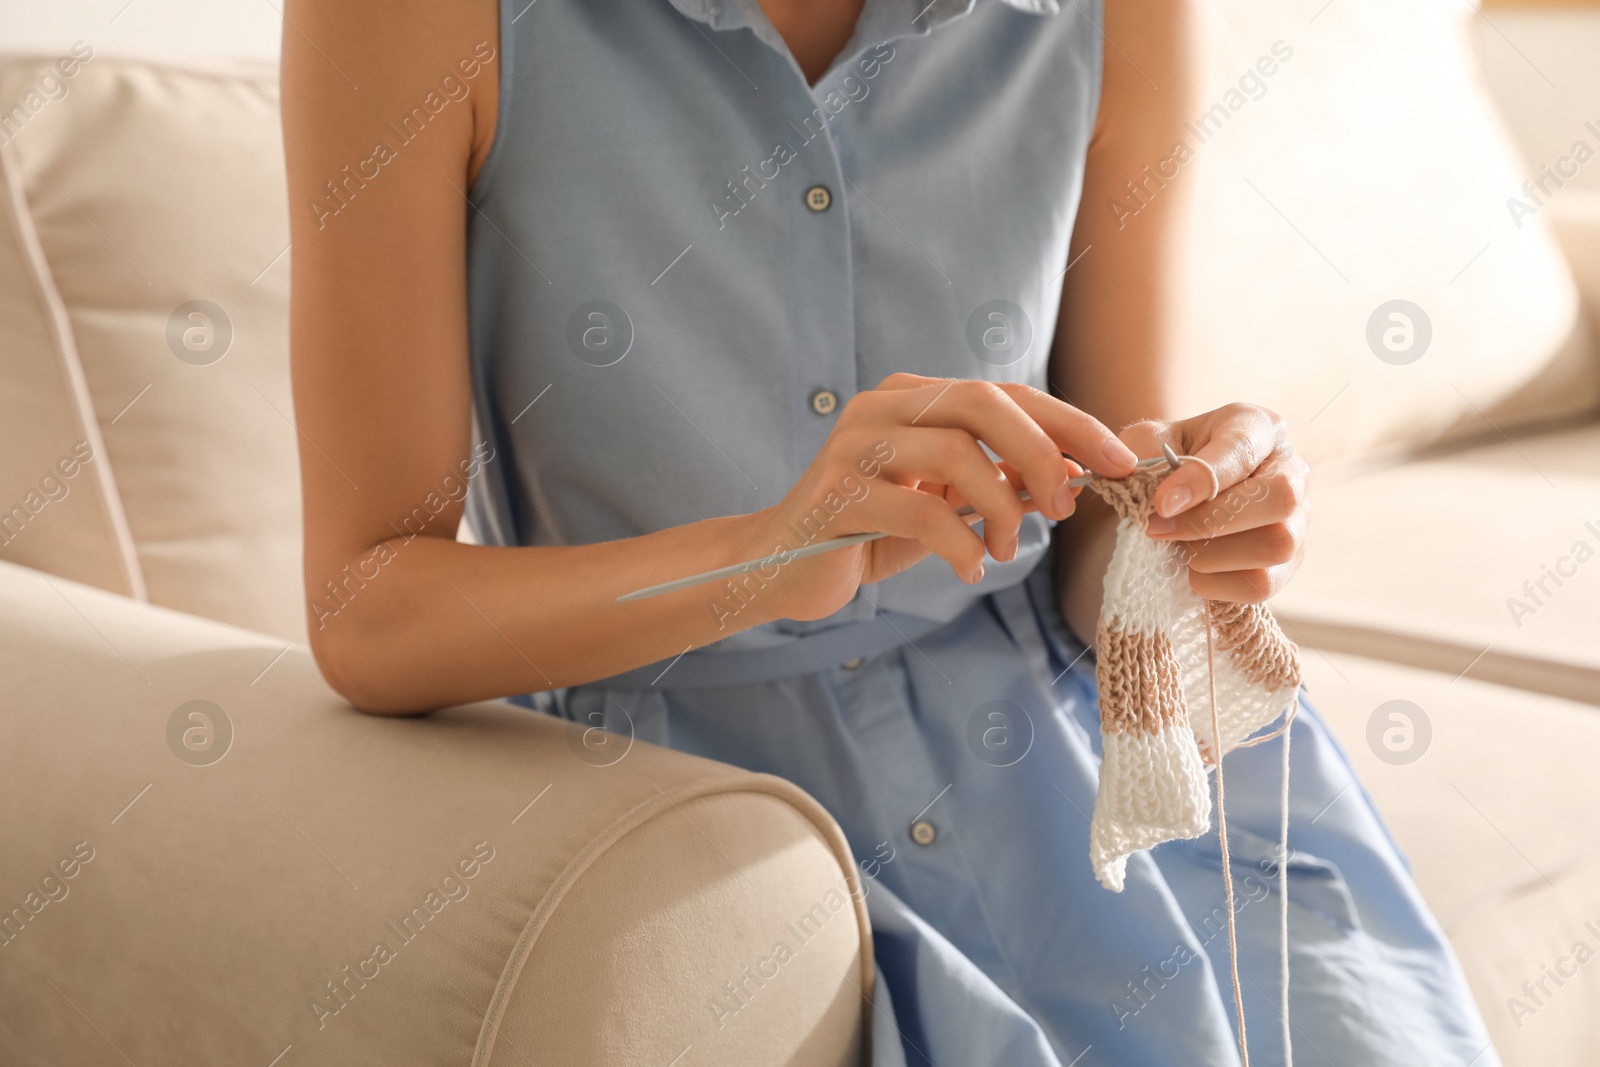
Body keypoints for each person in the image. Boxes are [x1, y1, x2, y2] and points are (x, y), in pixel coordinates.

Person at [281, 0, 1499, 1061]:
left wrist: (1174, 524)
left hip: (1070, 745)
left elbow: (1090, 533)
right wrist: (764, 557)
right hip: (686, 808)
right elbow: (365, 606)